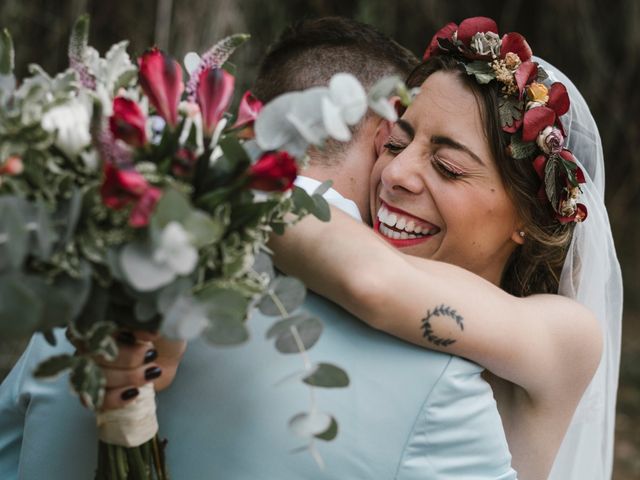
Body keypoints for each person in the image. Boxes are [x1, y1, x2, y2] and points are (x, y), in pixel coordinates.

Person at [0, 18, 519, 480]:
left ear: (249, 118)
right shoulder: (440, 384)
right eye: (402, 143)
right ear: (386, 127)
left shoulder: (90, 277)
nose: (403, 173)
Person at [268, 17, 622, 480]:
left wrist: (209, 174)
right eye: (395, 143)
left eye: (448, 167)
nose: (394, 174)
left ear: (526, 219)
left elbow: (371, 281)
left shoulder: (565, 335)